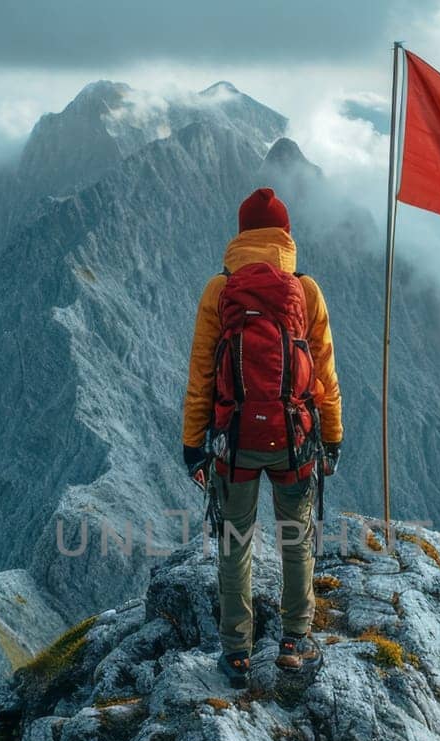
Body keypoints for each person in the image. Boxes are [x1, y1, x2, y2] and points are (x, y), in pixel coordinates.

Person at [181, 187, 343, 687]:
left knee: (235, 543)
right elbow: (324, 372)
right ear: (285, 235)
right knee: (295, 538)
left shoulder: (219, 291)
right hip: (294, 438)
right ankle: (295, 641)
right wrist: (332, 437)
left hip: (235, 441)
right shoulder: (306, 290)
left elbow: (202, 374)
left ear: (241, 232)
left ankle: (237, 654)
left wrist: (194, 444)